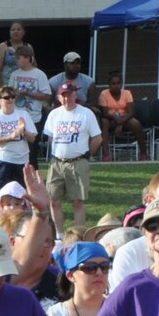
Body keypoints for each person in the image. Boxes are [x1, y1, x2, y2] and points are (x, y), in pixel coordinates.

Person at [42, 78, 103, 231]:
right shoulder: (54, 115)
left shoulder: (86, 114)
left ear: (76, 95)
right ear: (58, 97)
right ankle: (59, 235)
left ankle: (78, 234)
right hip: (56, 163)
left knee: (77, 201)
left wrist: (87, 155)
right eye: (63, 95)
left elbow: (97, 138)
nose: (67, 98)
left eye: (70, 94)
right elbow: (50, 137)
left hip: (77, 162)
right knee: (53, 200)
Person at [96, 74, 143, 157]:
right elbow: (105, 113)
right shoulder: (104, 94)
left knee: (136, 124)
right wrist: (115, 118)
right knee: (104, 122)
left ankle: (144, 154)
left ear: (121, 84)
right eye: (113, 83)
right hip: (110, 119)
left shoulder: (127, 93)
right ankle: (106, 155)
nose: (116, 86)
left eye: (118, 83)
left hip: (124, 119)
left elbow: (131, 112)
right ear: (109, 85)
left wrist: (120, 123)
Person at [0, 22, 33, 88]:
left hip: (26, 86)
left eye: (19, 29)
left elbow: (33, 65)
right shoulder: (3, 46)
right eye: (13, 30)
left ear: (24, 32)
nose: (15, 32)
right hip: (7, 85)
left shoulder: (28, 47)